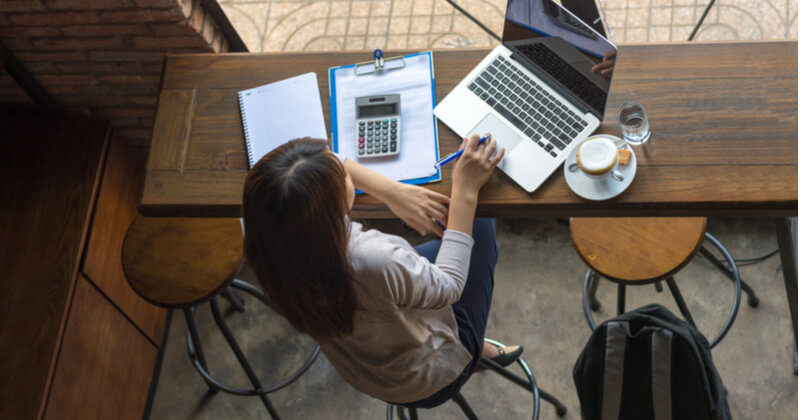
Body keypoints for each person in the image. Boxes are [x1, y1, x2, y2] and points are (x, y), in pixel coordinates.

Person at [242, 134, 521, 408]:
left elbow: (330, 166)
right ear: (332, 210)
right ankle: (470, 350)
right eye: (341, 175)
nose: (343, 166)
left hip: (366, 368)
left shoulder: (272, 249)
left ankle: (467, 345)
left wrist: (392, 192)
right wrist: (465, 189)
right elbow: (448, 286)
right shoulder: (372, 258)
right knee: (479, 220)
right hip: (430, 379)